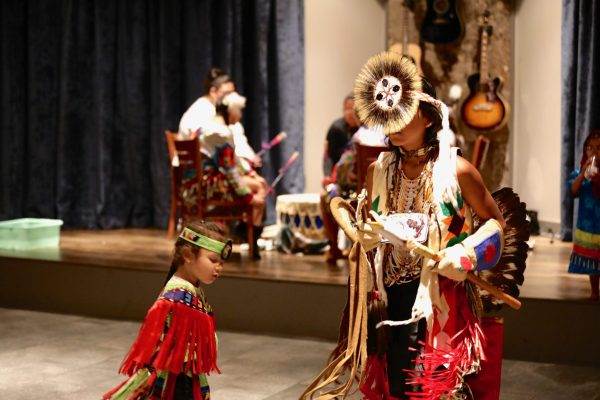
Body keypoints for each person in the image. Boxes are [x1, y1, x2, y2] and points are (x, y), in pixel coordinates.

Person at [103, 220, 232, 400]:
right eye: (213, 260)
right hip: (175, 378)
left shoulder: (191, 288)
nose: (218, 267)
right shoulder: (177, 295)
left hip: (185, 373)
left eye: (221, 263)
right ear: (188, 254)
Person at [202, 91, 267, 258]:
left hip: (208, 179)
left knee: (259, 182)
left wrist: (251, 173)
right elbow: (229, 171)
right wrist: (249, 198)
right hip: (214, 183)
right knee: (260, 188)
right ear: (231, 112)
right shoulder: (220, 133)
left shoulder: (208, 127)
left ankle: (247, 230)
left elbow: (233, 160)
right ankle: (251, 234)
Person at [179, 68, 263, 168]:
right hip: (204, 171)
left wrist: (250, 157)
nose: (231, 97)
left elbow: (238, 138)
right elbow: (210, 147)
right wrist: (243, 164)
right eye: (227, 94)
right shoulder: (199, 112)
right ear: (213, 91)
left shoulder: (225, 114)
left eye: (233, 93)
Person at [567, 130, 600, 301]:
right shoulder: (580, 172)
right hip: (589, 225)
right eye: (590, 148)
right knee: (593, 261)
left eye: (599, 148)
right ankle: (595, 291)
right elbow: (573, 190)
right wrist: (583, 174)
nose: (594, 152)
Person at [322, 94, 360, 179]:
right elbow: (328, 155)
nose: (350, 113)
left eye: (352, 109)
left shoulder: (365, 130)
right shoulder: (336, 128)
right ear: (343, 110)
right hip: (339, 178)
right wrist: (327, 176)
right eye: (347, 109)